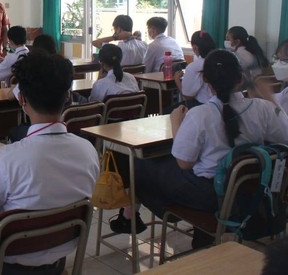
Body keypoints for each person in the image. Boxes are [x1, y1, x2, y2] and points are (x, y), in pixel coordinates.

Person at [110, 50, 288, 248]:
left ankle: (136, 215)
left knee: (140, 165)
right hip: (250, 191)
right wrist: (270, 100)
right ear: (240, 79)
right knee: (162, 167)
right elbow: (285, 138)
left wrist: (176, 123)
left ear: (205, 81)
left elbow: (184, 163)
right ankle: (196, 232)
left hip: (210, 195)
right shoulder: (261, 108)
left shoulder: (200, 114)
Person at [0, 51, 99, 274]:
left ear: (22, 99)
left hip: (1, 266)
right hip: (57, 262)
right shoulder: (88, 151)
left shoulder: (4, 159)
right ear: (67, 96)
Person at [173, 31, 216, 107]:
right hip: (220, 104)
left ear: (195, 47)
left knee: (167, 111)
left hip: (201, 105)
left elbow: (188, 96)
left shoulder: (194, 67)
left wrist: (177, 79)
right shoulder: (222, 60)